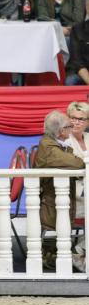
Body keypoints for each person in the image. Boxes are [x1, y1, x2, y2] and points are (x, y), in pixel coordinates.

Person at [35, 110, 85, 270]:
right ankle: (78, 253)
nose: (73, 128)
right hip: (53, 203)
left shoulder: (55, 144)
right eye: (70, 126)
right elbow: (78, 163)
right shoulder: (50, 148)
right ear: (61, 131)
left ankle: (78, 251)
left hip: (61, 200)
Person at [65, 101, 89, 271]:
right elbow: (70, 167)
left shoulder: (88, 138)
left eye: (81, 119)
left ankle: (79, 248)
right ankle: (80, 250)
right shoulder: (64, 141)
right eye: (72, 118)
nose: (76, 122)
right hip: (73, 196)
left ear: (87, 122)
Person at [64, 0, 89, 86]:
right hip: (81, 72)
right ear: (87, 8)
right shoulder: (77, 30)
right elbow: (78, 63)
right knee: (70, 81)